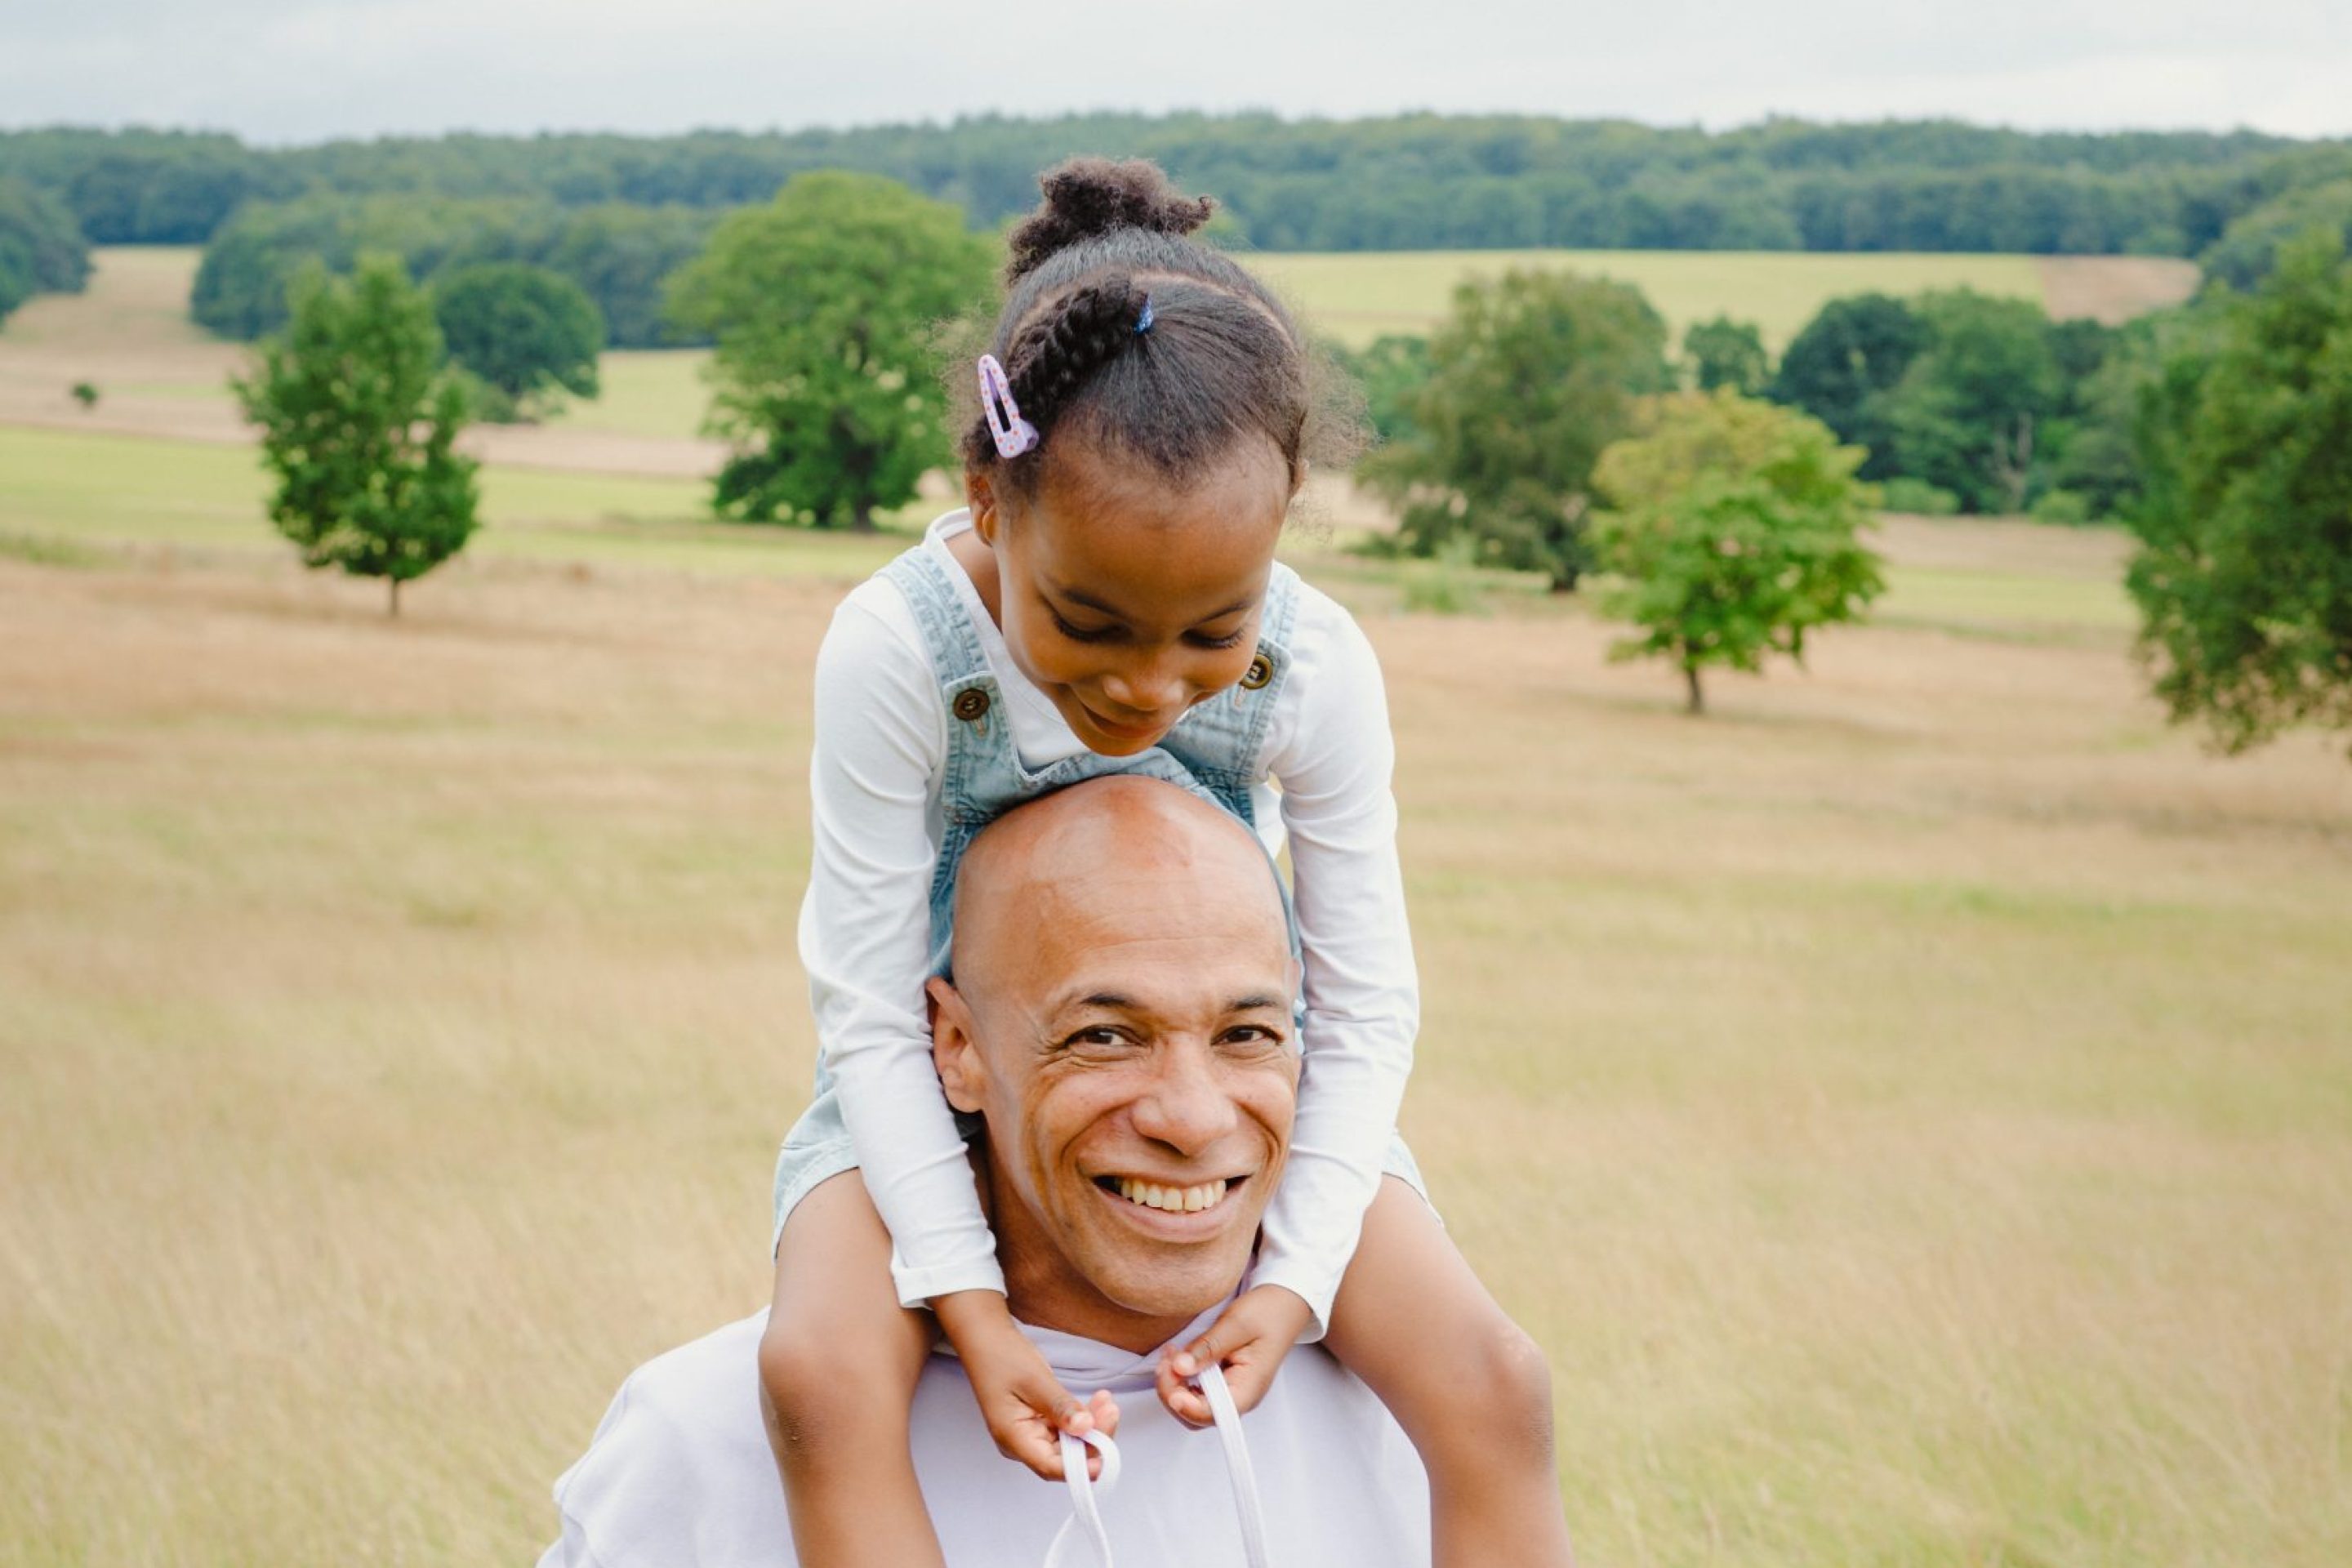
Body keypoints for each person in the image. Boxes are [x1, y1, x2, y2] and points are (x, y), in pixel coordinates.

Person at [764, 158, 1572, 1568]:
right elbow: (868, 1007)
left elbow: (1365, 1004)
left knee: (1498, 1384)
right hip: (936, 1078)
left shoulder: (1318, 663)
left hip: (1214, 1075)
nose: (1149, 686)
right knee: (821, 1381)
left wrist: (1298, 1281)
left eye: (1211, 633)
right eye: (1089, 623)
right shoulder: (894, 650)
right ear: (991, 499)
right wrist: (962, 1297)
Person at [541, 779, 1436, 1567]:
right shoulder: (706, 1439)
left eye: (1247, 1033)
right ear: (957, 1047)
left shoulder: (1413, 1419)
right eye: (1104, 1036)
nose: (1194, 1118)